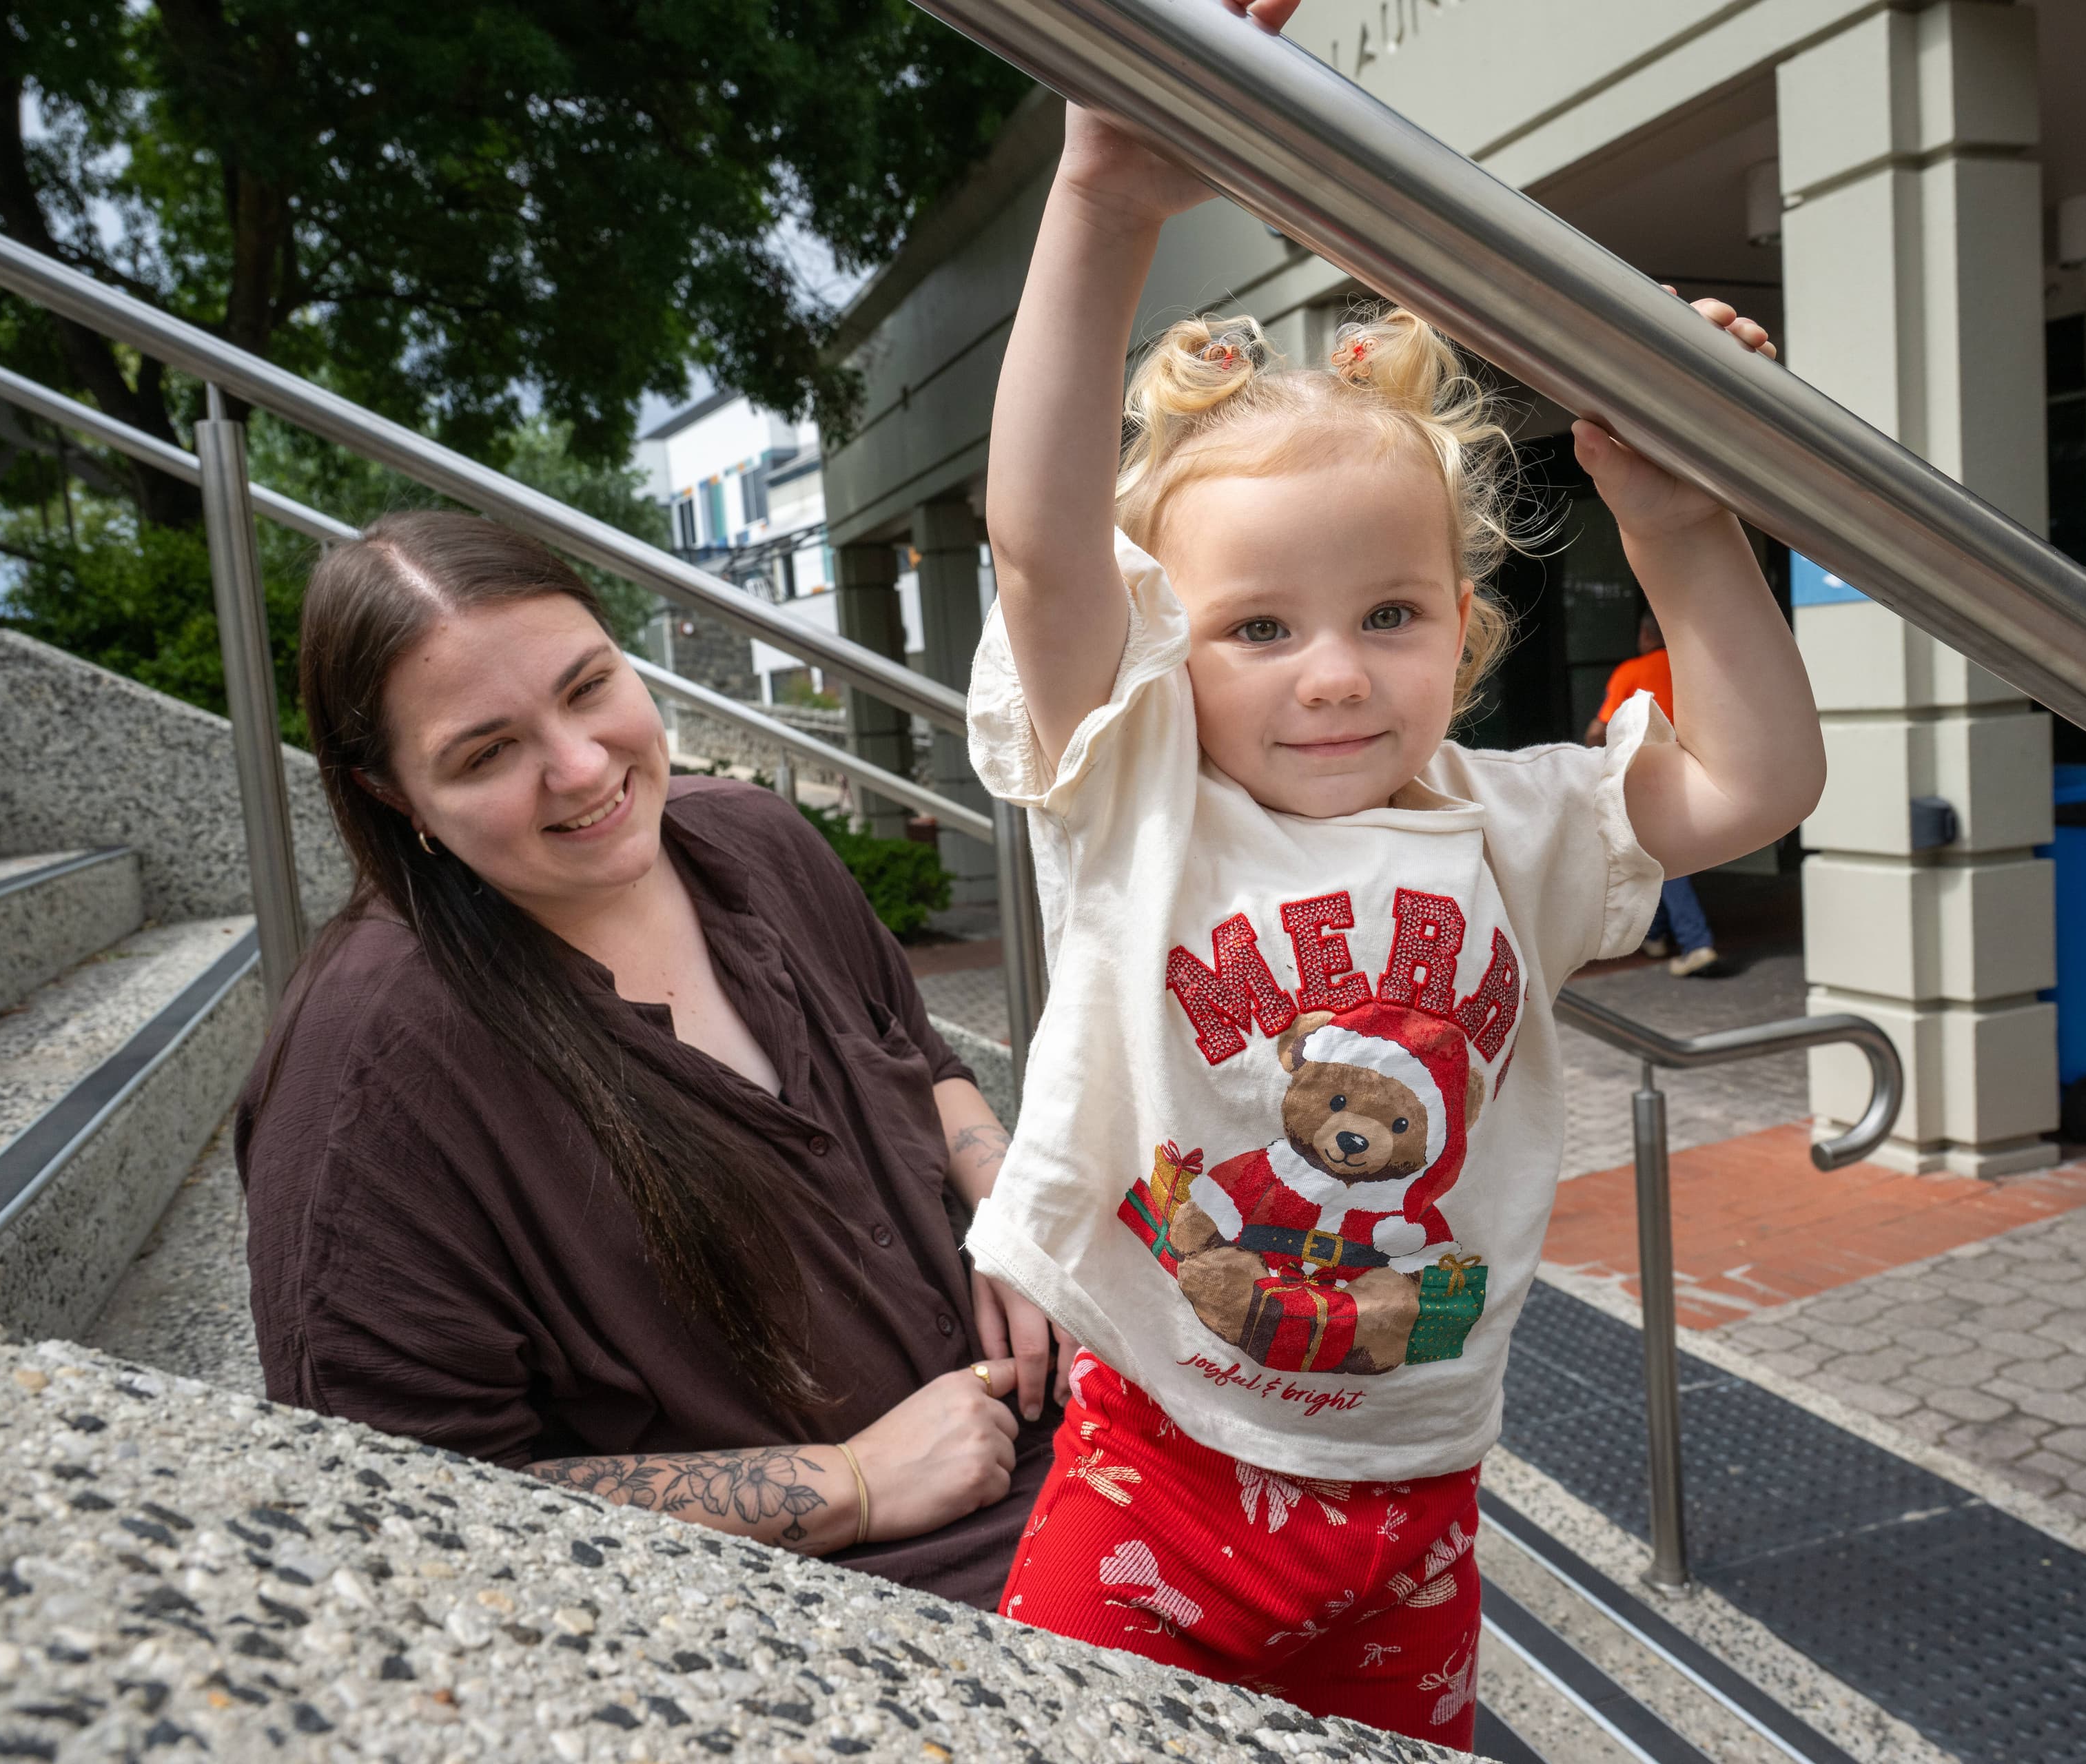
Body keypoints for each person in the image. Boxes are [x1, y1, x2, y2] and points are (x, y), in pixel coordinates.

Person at [957, 1, 1824, 1742]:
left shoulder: (1512, 821)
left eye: (1387, 614)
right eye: (1255, 626)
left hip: (1419, 1491)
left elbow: (1757, 776)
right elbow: (1042, 542)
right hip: (1163, 1470)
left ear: (1461, 625)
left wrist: (1677, 520)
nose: (1332, 670)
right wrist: (1106, 192)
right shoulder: (1132, 781)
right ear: (1167, 652)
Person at [236, 510, 1072, 1610]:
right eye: (487, 752)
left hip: (1084, 1464)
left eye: (589, 688)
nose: (582, 770)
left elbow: (918, 1057)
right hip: (871, 1613)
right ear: (395, 796)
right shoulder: (371, 1079)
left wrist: (1002, 1197)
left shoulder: (759, 841)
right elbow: (403, 1503)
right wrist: (850, 1484)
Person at [1586, 606, 1719, 977]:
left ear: (1645, 636)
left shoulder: (1631, 672)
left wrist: (1585, 752)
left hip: (1646, 778)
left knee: (1664, 861)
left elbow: (1601, 729)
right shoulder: (1691, 669)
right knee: (1649, 853)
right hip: (1695, 770)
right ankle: (1656, 936)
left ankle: (1697, 944)